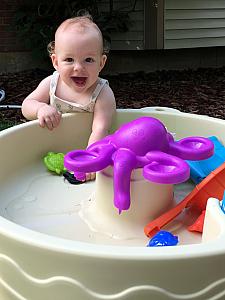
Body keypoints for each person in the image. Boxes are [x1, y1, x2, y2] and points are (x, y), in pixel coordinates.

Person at [22, 14, 116, 181]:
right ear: (55, 62)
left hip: (88, 149)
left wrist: (90, 158)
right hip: (51, 150)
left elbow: (100, 129)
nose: (78, 68)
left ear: (101, 63)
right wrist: (41, 108)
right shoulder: (51, 84)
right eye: (69, 60)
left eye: (88, 60)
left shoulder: (102, 92)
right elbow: (27, 105)